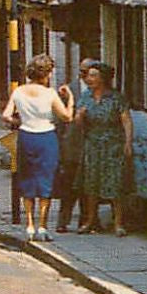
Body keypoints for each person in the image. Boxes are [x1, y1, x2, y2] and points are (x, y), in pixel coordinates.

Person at [1, 54, 75, 241]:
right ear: (46, 73)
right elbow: (66, 117)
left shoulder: (18, 92)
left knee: (27, 179)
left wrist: (20, 120)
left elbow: (6, 116)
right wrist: (71, 99)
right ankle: (42, 226)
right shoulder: (50, 94)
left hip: (26, 137)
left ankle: (29, 226)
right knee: (45, 180)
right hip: (46, 138)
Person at [75, 62, 135, 236]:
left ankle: (118, 223)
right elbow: (78, 123)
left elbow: (126, 120)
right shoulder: (86, 96)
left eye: (93, 76)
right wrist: (79, 116)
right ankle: (90, 221)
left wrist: (128, 142)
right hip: (93, 144)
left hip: (113, 145)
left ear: (103, 79)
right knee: (91, 184)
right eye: (88, 76)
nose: (89, 79)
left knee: (115, 184)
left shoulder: (116, 98)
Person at [55, 57, 98, 233]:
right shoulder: (68, 90)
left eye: (88, 72)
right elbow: (60, 120)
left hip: (91, 145)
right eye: (82, 71)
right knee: (68, 186)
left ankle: (86, 221)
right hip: (72, 145)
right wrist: (60, 144)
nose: (84, 75)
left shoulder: (99, 91)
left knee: (87, 186)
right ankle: (63, 221)